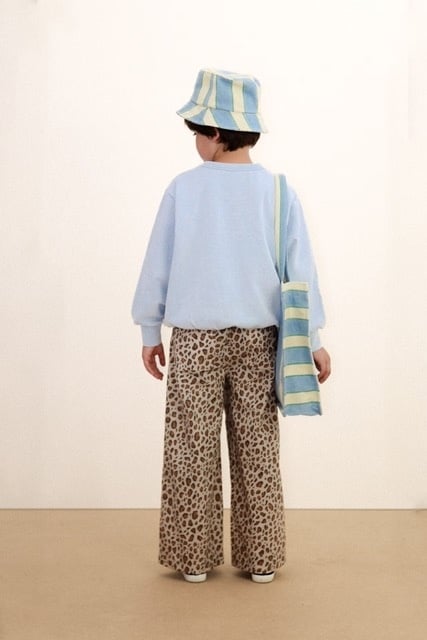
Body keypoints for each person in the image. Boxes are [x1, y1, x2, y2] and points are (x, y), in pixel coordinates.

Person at [131, 68, 331, 584]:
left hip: (195, 340)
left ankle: (193, 560)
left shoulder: (183, 189)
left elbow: (158, 263)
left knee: (190, 450)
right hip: (259, 340)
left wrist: (150, 331)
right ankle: (261, 559)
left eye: (197, 131)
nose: (195, 142)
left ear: (216, 132)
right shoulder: (279, 192)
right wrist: (313, 340)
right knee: (258, 451)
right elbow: (300, 271)